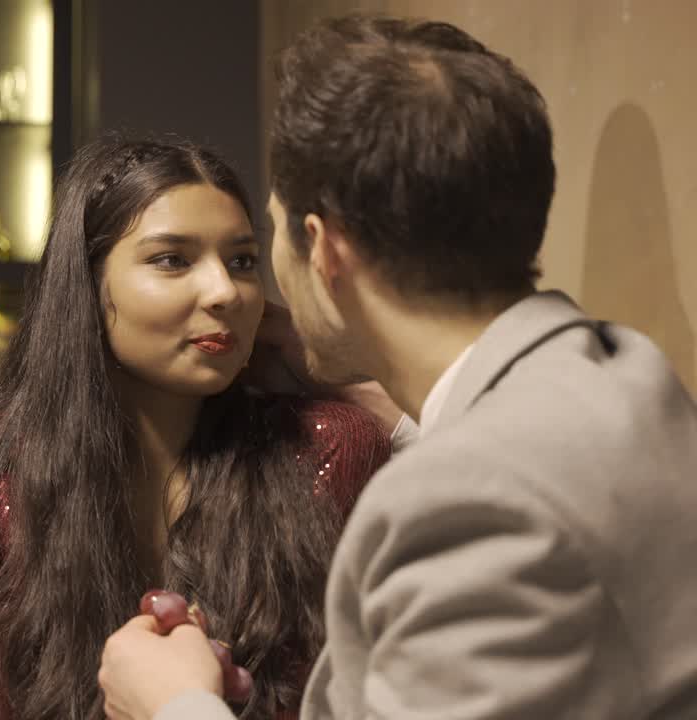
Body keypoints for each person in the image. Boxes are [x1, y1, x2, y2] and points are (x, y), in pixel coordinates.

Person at [97, 14, 697, 720]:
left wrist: (178, 707)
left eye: (256, 249)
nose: (231, 293)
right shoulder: (629, 375)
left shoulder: (470, 503)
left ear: (323, 250)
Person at [0, 136, 392, 720]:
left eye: (243, 260)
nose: (225, 290)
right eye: (172, 259)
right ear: (89, 286)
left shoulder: (327, 446)